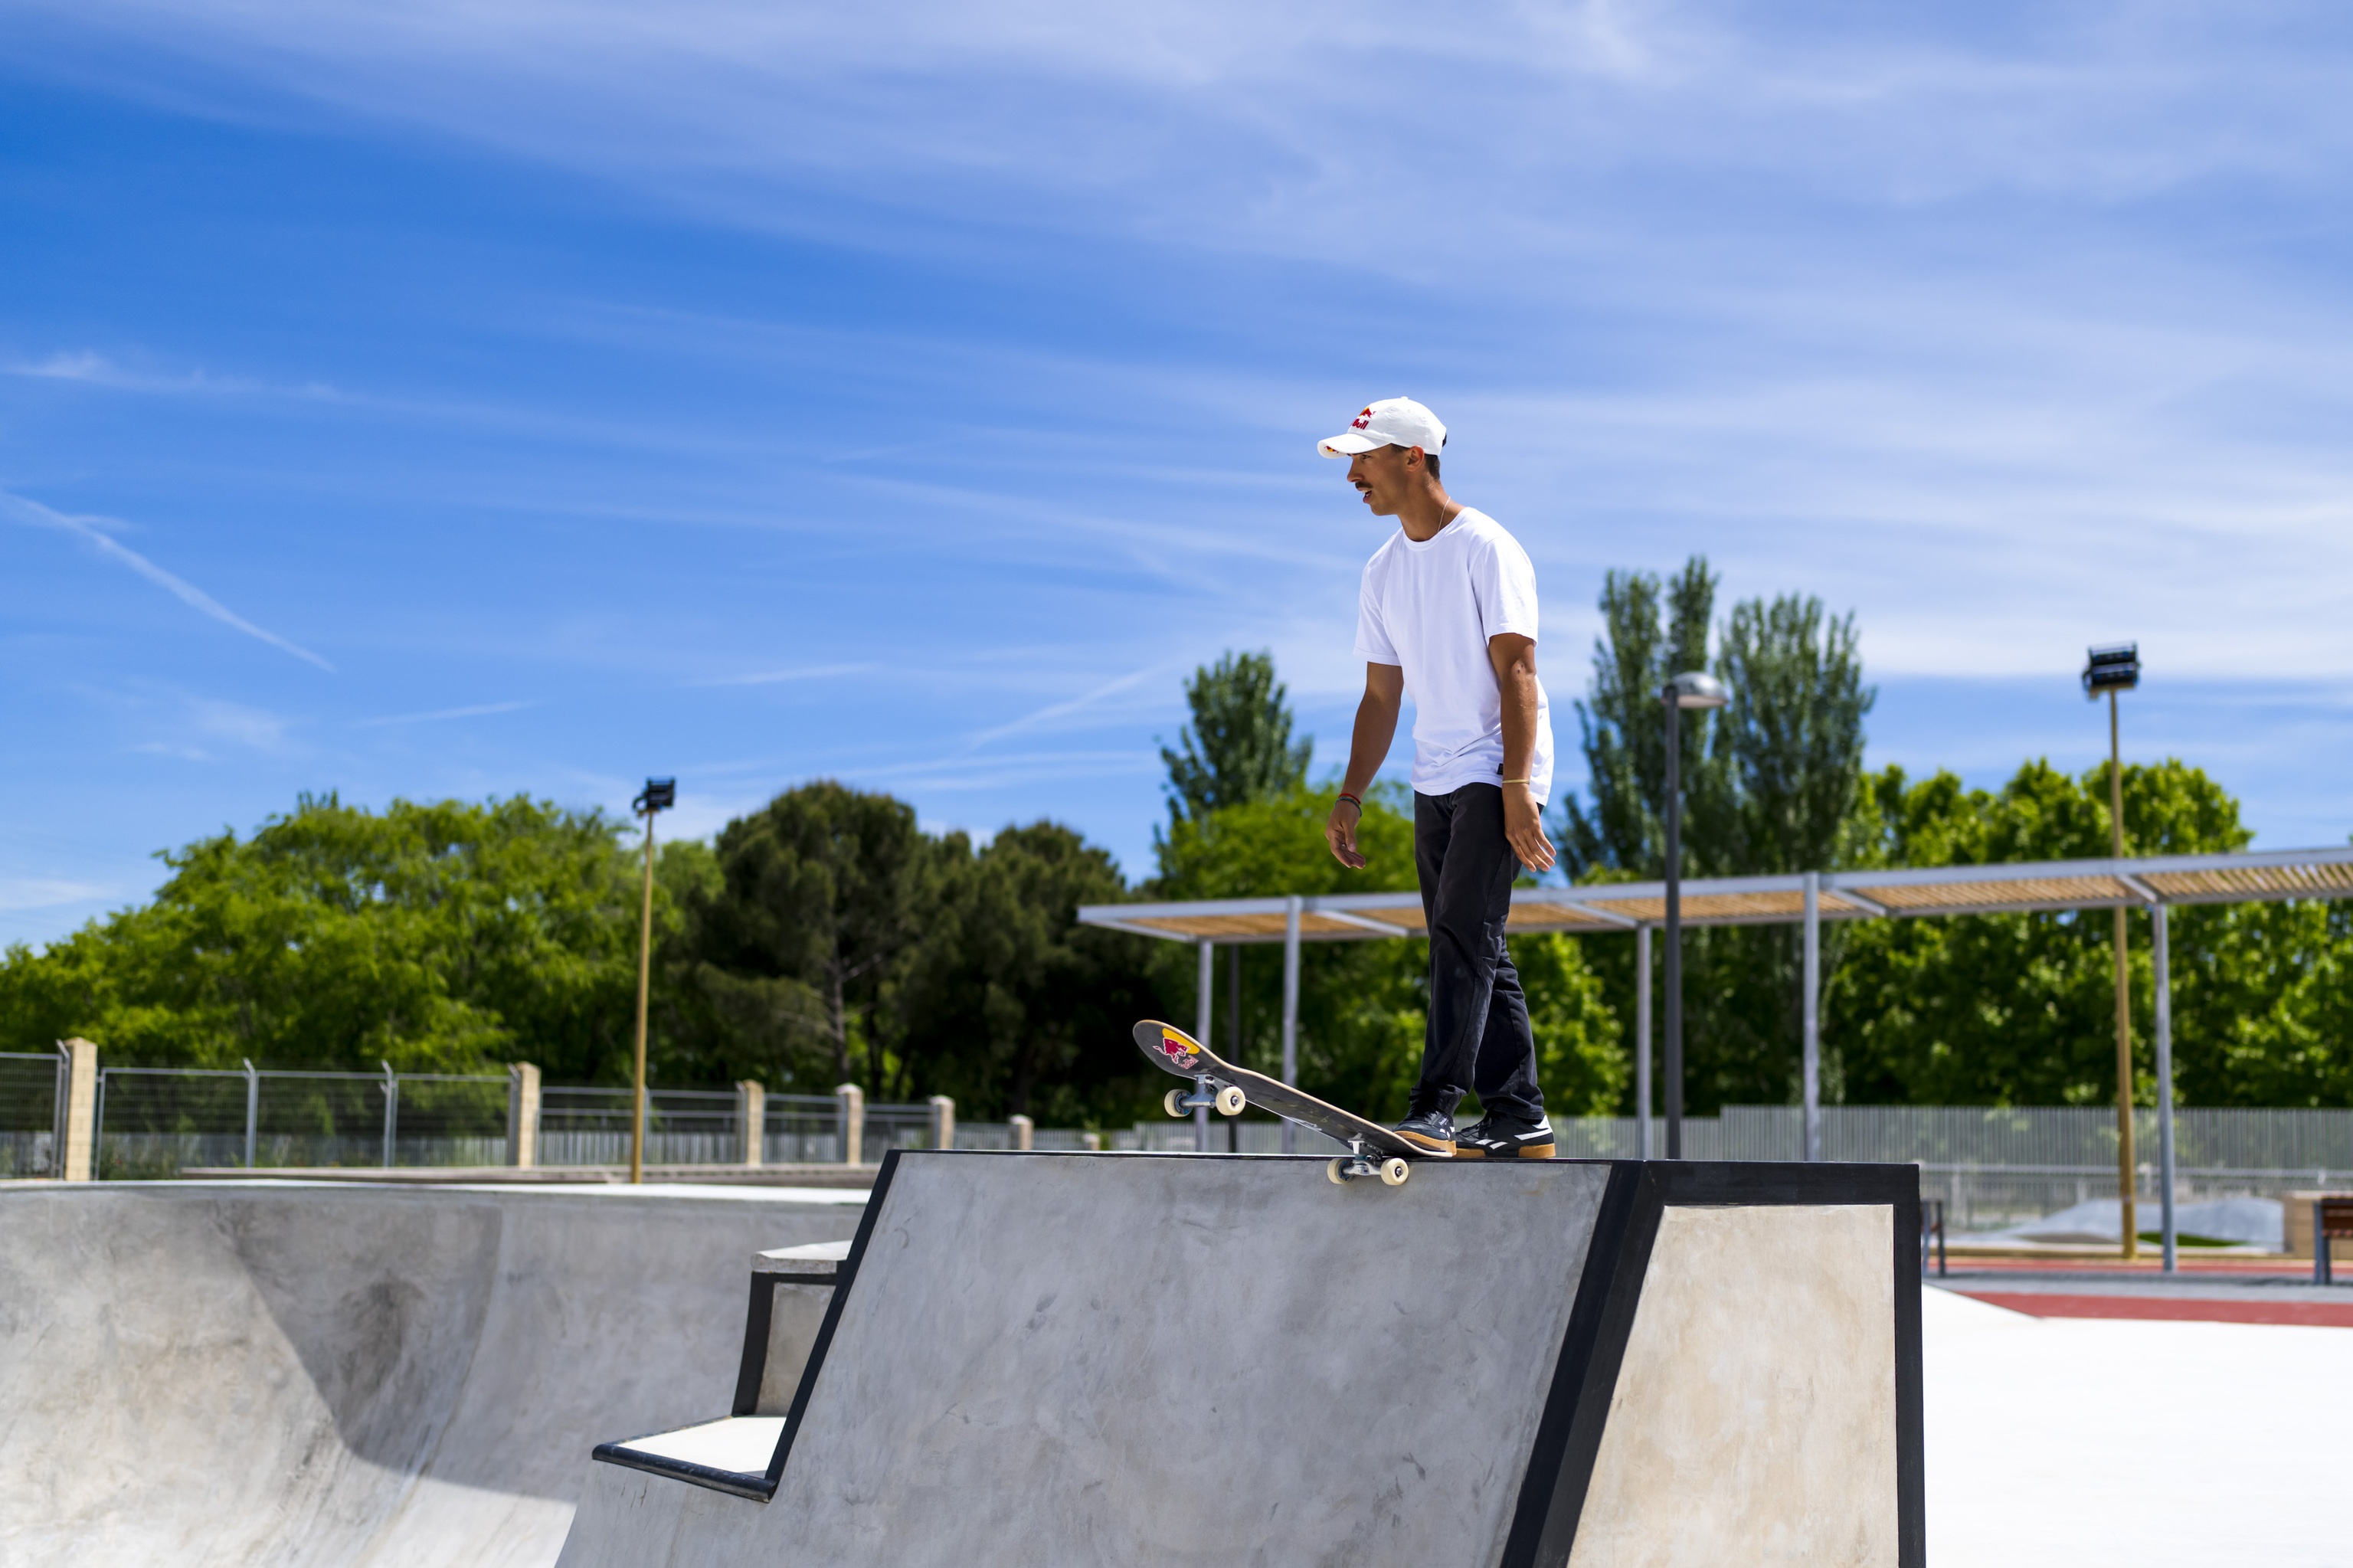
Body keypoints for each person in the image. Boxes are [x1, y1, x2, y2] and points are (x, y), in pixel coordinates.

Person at [1318, 397, 1558, 1159]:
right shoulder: (1382, 572)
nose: (1354, 474)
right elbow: (1381, 695)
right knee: (1472, 940)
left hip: (1498, 764)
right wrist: (1352, 793)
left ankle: (1435, 1109)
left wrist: (1517, 785)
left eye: (1366, 458)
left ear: (1413, 457)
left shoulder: (1487, 547)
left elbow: (1518, 667)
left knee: (1462, 935)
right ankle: (1521, 1113)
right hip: (1434, 772)